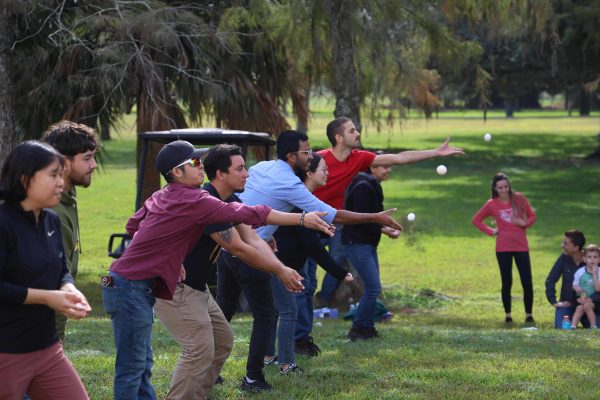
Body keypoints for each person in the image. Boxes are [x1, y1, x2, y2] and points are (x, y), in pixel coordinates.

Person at [102, 140, 332, 400]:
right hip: (129, 286)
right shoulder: (195, 199)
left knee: (146, 364)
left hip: (133, 284)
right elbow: (248, 213)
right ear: (176, 172)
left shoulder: (163, 195)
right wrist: (301, 218)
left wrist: (169, 260)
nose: (201, 166)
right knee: (134, 367)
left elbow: (134, 226)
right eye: (194, 163)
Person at [223, 130, 402, 392]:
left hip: (228, 244)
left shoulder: (261, 167)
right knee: (266, 315)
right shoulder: (292, 185)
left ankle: (212, 371)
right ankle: (255, 377)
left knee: (223, 312)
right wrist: (374, 217)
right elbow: (333, 216)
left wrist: (262, 231)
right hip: (249, 252)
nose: (311, 156)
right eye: (306, 152)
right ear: (290, 155)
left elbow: (244, 201)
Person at [153, 144, 311, 400]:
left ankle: (198, 395)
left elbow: (252, 237)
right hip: (177, 289)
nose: (247, 174)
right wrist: (282, 265)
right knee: (199, 350)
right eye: (240, 168)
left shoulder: (225, 199)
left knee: (222, 342)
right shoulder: (205, 202)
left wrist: (282, 265)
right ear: (222, 174)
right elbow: (239, 248)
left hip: (197, 288)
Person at [306, 117, 463, 349]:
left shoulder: (359, 158)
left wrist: (436, 153)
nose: (357, 133)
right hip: (302, 221)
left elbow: (399, 158)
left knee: (308, 284)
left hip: (329, 222)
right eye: (352, 130)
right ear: (339, 138)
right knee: (304, 283)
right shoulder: (318, 160)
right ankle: (299, 336)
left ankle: (312, 335)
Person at [0, 141, 92, 400]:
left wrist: (68, 287)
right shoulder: (3, 223)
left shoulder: (51, 218)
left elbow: (61, 266)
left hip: (47, 349)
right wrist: (47, 297)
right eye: (53, 175)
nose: (61, 182)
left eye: (60, 174)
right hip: (6, 352)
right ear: (25, 179)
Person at [264, 154, 354, 373]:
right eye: (324, 169)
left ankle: (267, 356)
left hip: (286, 263)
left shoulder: (305, 200)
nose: (328, 173)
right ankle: (285, 364)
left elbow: (311, 243)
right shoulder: (300, 202)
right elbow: (314, 247)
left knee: (274, 311)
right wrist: (340, 273)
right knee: (286, 311)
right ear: (309, 173)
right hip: (279, 264)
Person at [41, 121, 99, 340]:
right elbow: (49, 281)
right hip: (40, 335)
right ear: (64, 163)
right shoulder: (50, 210)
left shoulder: (67, 197)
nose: (94, 165)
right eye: (87, 158)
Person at [342, 158, 400, 341]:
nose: (389, 170)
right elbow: (361, 218)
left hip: (366, 242)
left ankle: (367, 329)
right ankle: (358, 329)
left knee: (372, 287)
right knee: (373, 287)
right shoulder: (363, 185)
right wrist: (385, 230)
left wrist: (384, 228)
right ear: (372, 167)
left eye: (390, 166)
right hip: (357, 243)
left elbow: (370, 218)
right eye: (385, 166)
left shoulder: (371, 184)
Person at [472, 172, 537, 323]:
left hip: (521, 246)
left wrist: (524, 224)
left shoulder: (519, 198)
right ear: (495, 188)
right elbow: (477, 220)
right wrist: (491, 231)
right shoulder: (491, 204)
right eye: (500, 187)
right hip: (503, 247)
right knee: (507, 282)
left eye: (506, 186)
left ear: (509, 186)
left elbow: (532, 216)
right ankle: (508, 315)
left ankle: (529, 315)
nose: (504, 190)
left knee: (527, 281)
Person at [545, 230, 597, 329]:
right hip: (567, 304)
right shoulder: (564, 258)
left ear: (576, 248)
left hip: (589, 306)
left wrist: (592, 299)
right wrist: (554, 301)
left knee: (597, 329)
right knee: (563, 330)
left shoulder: (593, 259)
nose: (562, 246)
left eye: (565, 243)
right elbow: (550, 280)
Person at [569, 244, 600, 329]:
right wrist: (576, 288)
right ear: (584, 259)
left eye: (595, 257)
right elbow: (574, 285)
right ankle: (573, 327)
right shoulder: (580, 272)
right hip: (582, 298)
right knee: (579, 309)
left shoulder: (599, 272)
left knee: (587, 306)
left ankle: (593, 327)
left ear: (599, 259)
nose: (592, 259)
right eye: (589, 257)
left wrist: (594, 274)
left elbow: (598, 289)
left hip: (595, 300)